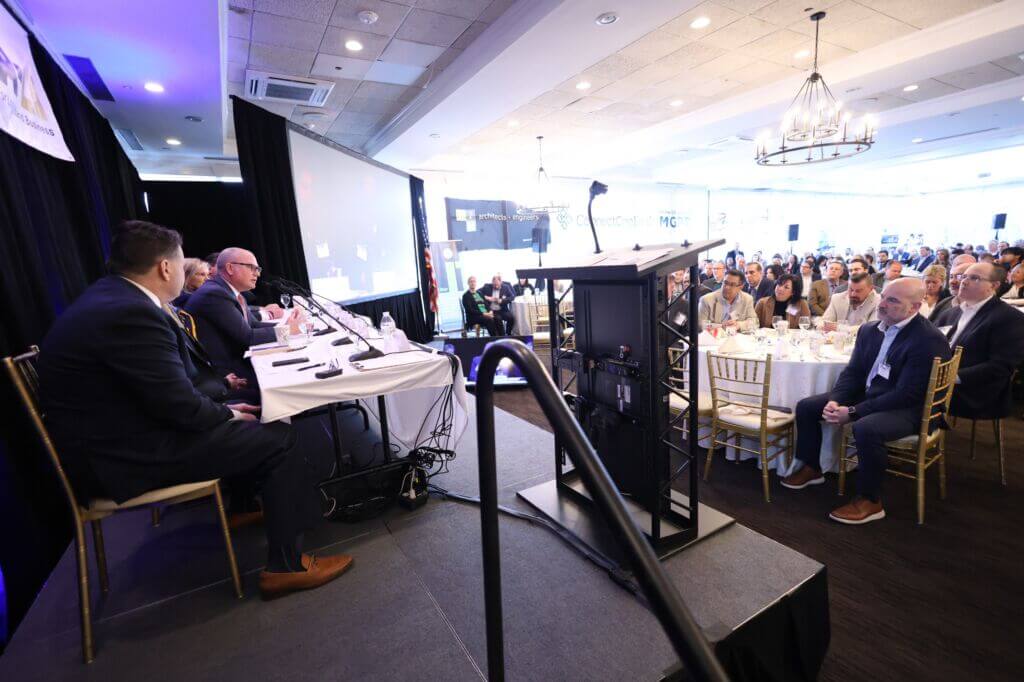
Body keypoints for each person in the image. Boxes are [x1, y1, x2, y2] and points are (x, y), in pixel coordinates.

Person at [37, 221, 351, 598]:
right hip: (127, 456)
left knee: (256, 415)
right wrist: (229, 413)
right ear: (165, 267)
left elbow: (165, 391)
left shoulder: (111, 299)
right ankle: (286, 566)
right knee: (280, 437)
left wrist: (224, 406)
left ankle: (249, 508)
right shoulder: (131, 313)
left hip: (121, 436)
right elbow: (180, 407)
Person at [782, 278, 950, 525]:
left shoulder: (927, 339)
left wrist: (852, 411)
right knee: (808, 407)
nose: (882, 304)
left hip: (912, 407)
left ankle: (870, 500)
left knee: (866, 428)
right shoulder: (870, 330)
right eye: (883, 297)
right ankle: (812, 467)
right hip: (873, 393)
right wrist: (836, 400)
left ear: (914, 307)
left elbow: (908, 393)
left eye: (893, 300)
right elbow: (853, 373)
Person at [185, 248, 302, 380]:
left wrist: (289, 325)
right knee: (291, 375)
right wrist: (286, 331)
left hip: (238, 362)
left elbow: (253, 324)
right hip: (228, 374)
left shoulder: (230, 291)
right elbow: (248, 337)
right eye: (252, 268)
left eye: (258, 269)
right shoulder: (214, 294)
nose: (257, 274)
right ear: (230, 268)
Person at [945, 263, 1024, 420]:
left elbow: (1000, 367)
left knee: (911, 389)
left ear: (994, 286)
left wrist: (947, 377)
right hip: (941, 378)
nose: (963, 281)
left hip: (974, 390)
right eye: (963, 276)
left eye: (974, 278)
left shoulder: (1010, 318)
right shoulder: (953, 312)